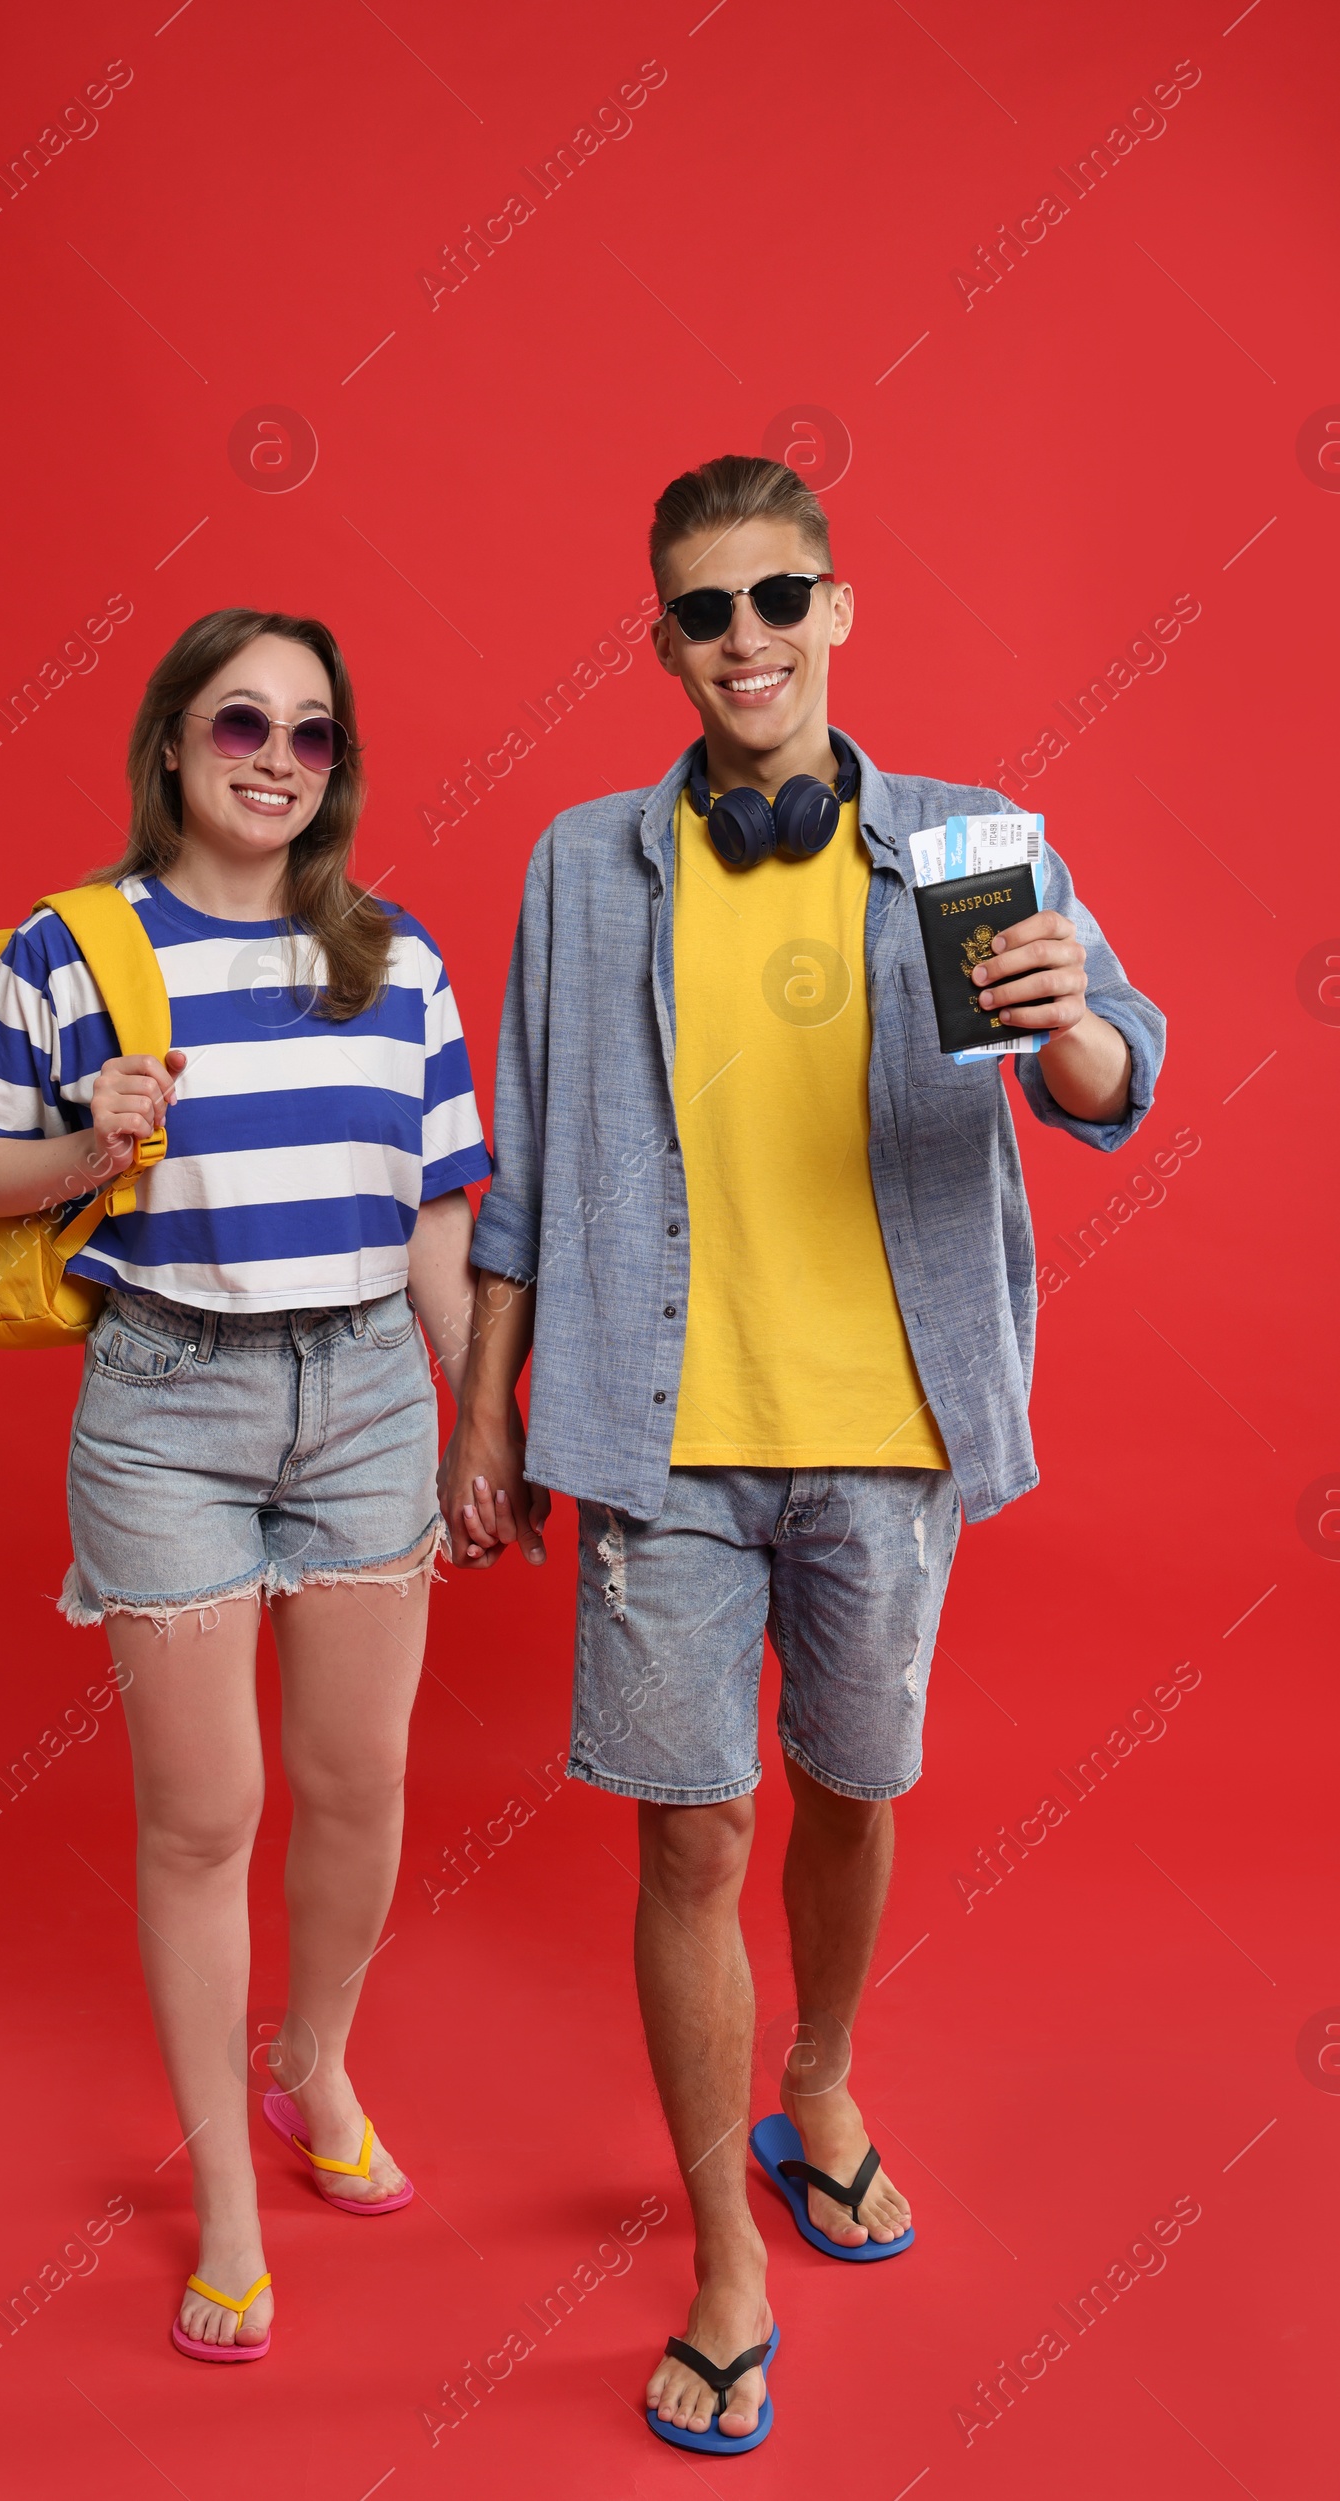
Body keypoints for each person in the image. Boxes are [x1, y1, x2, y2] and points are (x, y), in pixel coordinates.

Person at [440, 457, 1164, 2451]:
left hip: (887, 1436)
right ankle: (722, 2260)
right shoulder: (585, 868)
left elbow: (1110, 1073)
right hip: (653, 1438)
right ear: (660, 639)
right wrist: (484, 1404)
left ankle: (818, 2081)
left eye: (775, 598)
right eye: (702, 610)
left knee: (851, 1787)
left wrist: (1067, 1025)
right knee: (687, 1831)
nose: (742, 637)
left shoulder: (961, 844)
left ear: (835, 608)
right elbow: (516, 1169)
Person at [0, 608, 490, 2361]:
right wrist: (88, 1138)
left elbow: (441, 1217)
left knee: (359, 1782)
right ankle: (228, 2212)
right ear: (172, 741)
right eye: (239, 720)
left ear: (338, 767)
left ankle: (311, 2058)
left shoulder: (392, 959)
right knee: (204, 1817)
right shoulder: (68, 948)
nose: (274, 756)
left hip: (372, 1402)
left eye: (312, 733)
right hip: (167, 1394)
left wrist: (486, 1417)